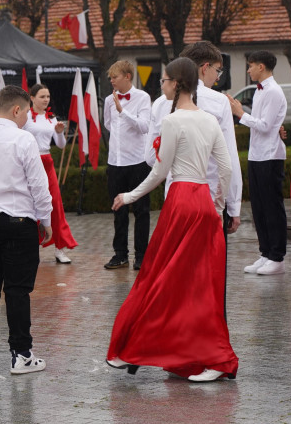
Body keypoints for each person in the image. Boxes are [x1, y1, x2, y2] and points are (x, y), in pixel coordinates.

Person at [107, 58, 237, 381]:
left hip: (180, 203)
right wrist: (217, 204)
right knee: (198, 288)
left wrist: (129, 196)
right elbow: (228, 169)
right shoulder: (209, 120)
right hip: (204, 205)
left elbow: (158, 173)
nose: (160, 86)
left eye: (164, 81)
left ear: (177, 84)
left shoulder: (172, 121)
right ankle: (204, 357)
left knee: (156, 280)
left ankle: (134, 350)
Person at [0, 86, 52, 375]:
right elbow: (39, 185)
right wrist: (46, 219)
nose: (27, 117)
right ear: (16, 110)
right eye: (26, 111)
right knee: (17, 290)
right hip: (17, 222)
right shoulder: (23, 139)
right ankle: (21, 354)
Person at [150, 42, 243, 240]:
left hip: (175, 196)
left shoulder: (160, 103)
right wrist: (233, 205)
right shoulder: (219, 102)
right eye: (217, 70)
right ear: (204, 67)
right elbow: (229, 158)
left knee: (178, 260)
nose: (218, 77)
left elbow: (151, 157)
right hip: (210, 197)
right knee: (210, 264)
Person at [230, 50, 287, 275]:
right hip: (256, 155)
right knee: (258, 207)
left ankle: (277, 256)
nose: (248, 69)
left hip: (271, 156)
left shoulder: (273, 91)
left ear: (261, 67)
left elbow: (265, 125)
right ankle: (265, 252)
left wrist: (240, 113)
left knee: (272, 206)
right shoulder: (260, 91)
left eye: (251, 65)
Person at [104, 61, 152, 270]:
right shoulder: (108, 100)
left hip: (137, 162)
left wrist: (123, 111)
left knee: (141, 210)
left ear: (127, 77)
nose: (112, 81)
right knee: (118, 210)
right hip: (115, 162)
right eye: (111, 78)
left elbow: (144, 126)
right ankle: (120, 254)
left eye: (115, 77)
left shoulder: (143, 97)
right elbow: (108, 124)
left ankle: (141, 255)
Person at [23, 83, 77, 264]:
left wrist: (61, 134)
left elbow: (60, 145)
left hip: (46, 162)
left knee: (54, 203)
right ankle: (30, 248)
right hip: (29, 163)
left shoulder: (52, 119)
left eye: (47, 96)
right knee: (29, 204)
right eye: (42, 96)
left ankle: (60, 249)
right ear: (32, 98)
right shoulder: (24, 118)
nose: (46, 100)